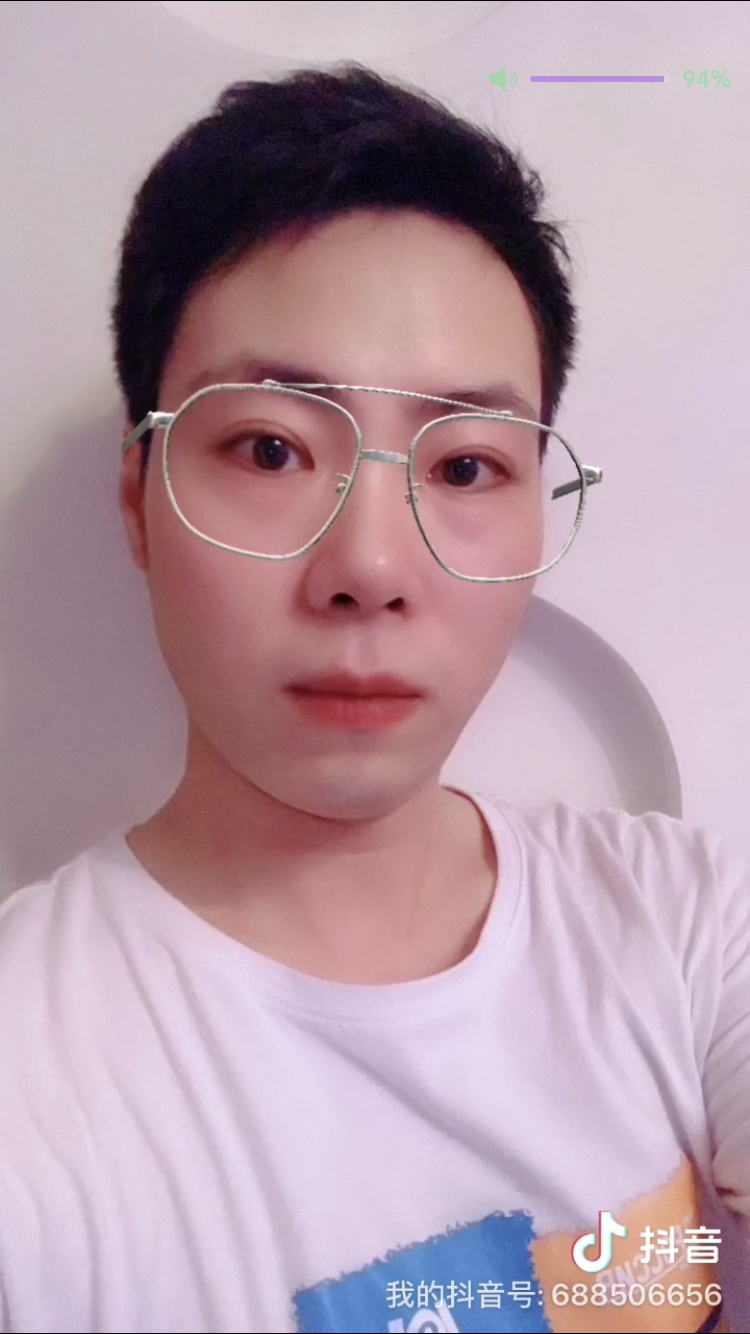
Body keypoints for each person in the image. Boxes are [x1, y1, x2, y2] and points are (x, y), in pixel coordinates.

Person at [0, 62, 746, 1334]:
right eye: (271, 447)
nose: (371, 567)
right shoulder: (29, 1079)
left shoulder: (688, 925)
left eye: (465, 465)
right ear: (139, 501)